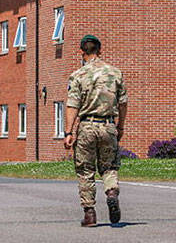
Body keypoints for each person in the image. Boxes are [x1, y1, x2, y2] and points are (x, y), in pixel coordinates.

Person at [63, 35, 127, 227]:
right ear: (100, 50)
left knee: (85, 170)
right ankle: (112, 192)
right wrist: (120, 126)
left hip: (87, 126)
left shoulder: (78, 75)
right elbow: (123, 103)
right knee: (109, 166)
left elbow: (72, 105)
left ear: (82, 52)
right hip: (108, 125)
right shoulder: (115, 73)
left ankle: (90, 214)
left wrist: (68, 132)